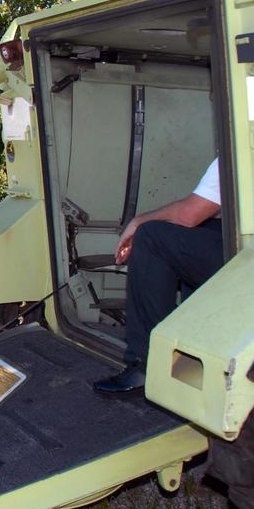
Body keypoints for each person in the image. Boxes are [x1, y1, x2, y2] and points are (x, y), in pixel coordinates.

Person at [93, 158, 223, 394]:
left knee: (151, 236)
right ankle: (194, 354)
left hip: (252, 257)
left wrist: (138, 221)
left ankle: (147, 363)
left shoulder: (235, 148)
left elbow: (190, 214)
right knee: (191, 239)